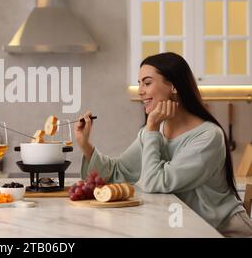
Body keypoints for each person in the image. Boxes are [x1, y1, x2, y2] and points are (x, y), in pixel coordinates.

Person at [75, 52, 252, 237]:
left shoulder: (207, 137)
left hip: (223, 232)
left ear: (174, 86)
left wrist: (151, 127)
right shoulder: (154, 131)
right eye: (139, 83)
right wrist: (85, 144)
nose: (140, 91)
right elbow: (118, 172)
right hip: (181, 228)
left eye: (147, 82)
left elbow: (155, 183)